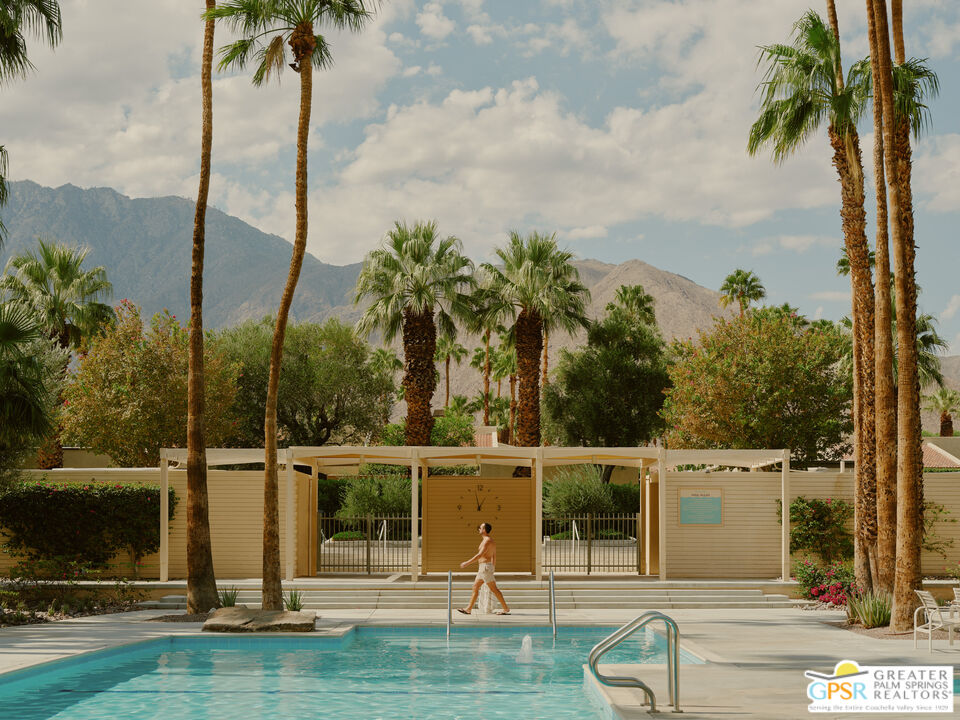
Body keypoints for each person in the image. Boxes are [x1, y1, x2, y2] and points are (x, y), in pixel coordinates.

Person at [457, 522, 510, 615]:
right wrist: (493, 567)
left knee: (494, 589)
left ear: (484, 530)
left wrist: (467, 563)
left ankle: (506, 609)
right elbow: (494, 556)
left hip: (485, 568)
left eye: (480, 527)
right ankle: (468, 609)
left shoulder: (487, 541)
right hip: (483, 568)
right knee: (475, 587)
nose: (479, 529)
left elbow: (480, 555)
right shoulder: (488, 540)